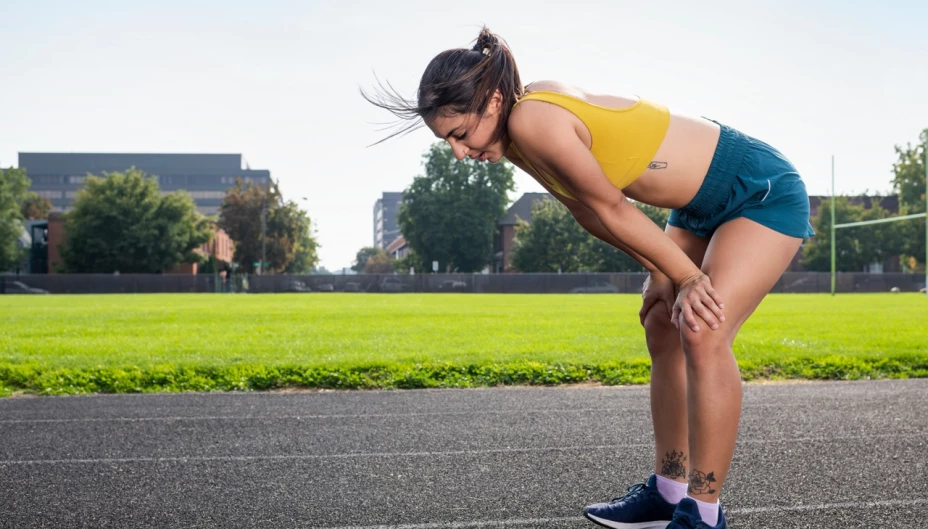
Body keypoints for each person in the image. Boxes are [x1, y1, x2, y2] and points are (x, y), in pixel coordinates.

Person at [363, 27, 814, 529]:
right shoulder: (516, 138)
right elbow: (586, 211)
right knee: (660, 322)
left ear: (492, 101)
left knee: (702, 328)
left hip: (757, 189)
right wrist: (659, 271)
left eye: (460, 134)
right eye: (447, 140)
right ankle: (668, 493)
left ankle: (704, 513)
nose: (458, 152)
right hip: (695, 207)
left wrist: (686, 276)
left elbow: (612, 205)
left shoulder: (533, 118)